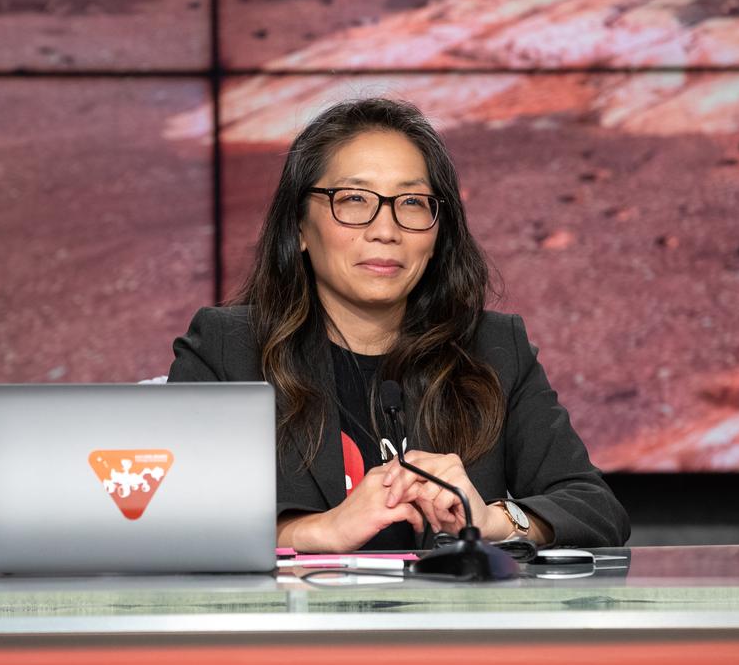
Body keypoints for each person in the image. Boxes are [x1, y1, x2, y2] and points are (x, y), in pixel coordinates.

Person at [168, 97, 629, 552]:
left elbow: (595, 509)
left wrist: (492, 519)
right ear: (299, 229)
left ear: (438, 230)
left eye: (411, 202)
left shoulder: (494, 349)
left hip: (446, 627)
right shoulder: (228, 350)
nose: (385, 230)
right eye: (353, 199)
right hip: (295, 625)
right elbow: (172, 518)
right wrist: (319, 531)